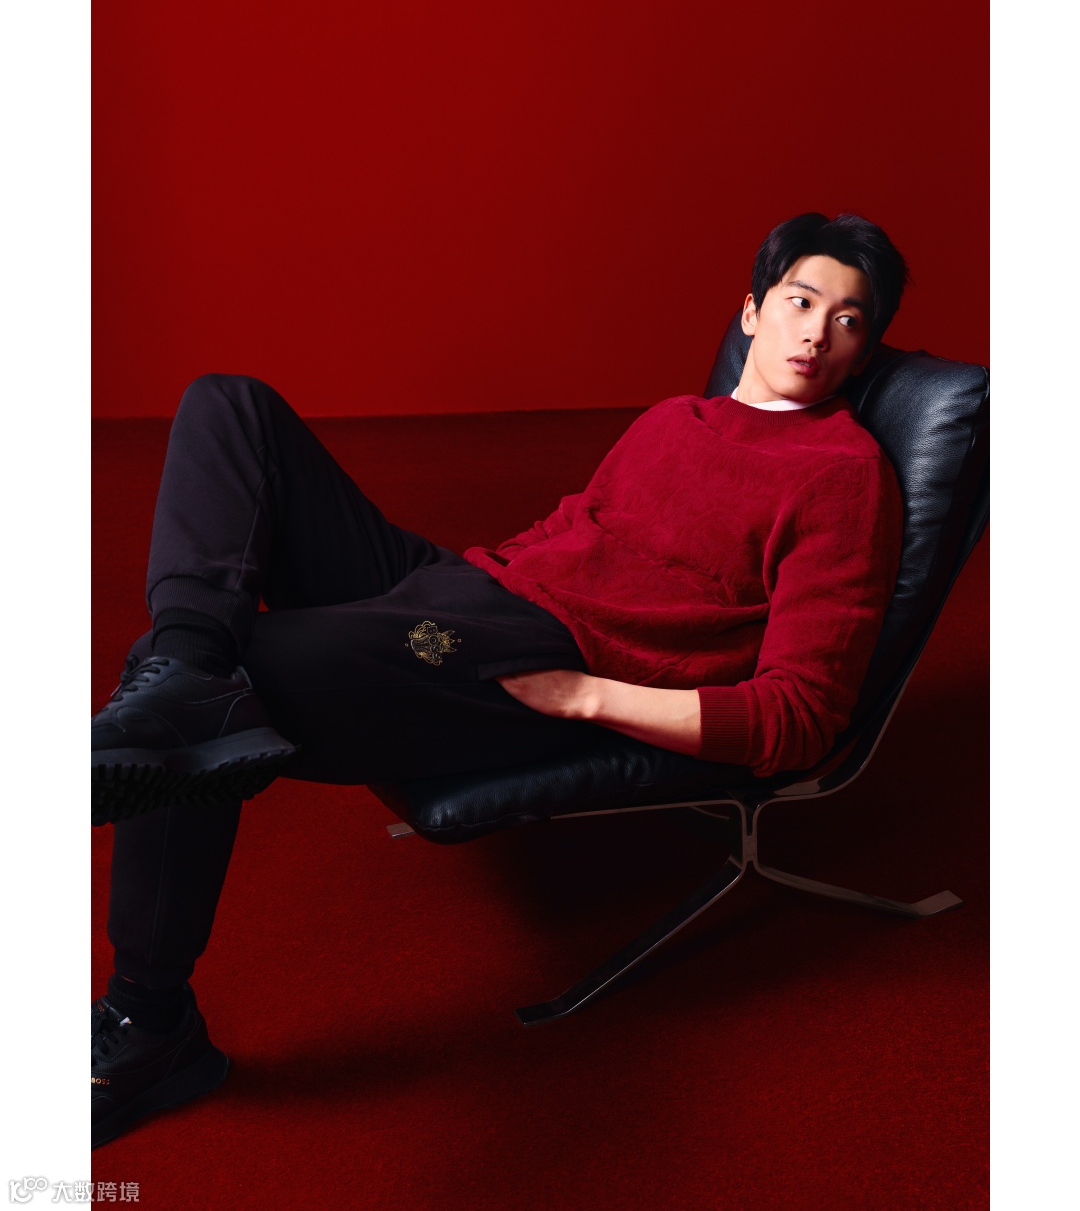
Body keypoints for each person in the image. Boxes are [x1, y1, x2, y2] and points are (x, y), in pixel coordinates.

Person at [90, 211, 909, 1148]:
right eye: (801, 302)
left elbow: (802, 717)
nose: (817, 333)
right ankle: (185, 665)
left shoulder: (842, 478)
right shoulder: (673, 420)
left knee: (235, 675)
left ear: (863, 348)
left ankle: (151, 1019)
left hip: (533, 647)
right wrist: (441, 587)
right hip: (471, 589)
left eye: (849, 320)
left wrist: (587, 696)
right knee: (230, 405)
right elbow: (573, 532)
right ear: (753, 311)